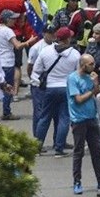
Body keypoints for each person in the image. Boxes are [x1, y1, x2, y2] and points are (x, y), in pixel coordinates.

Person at [33, 27, 81, 155]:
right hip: (66, 88)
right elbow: (78, 74)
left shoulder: (46, 51)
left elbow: (36, 70)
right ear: (68, 39)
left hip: (49, 88)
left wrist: (38, 83)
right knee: (64, 118)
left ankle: (37, 147)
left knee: (44, 117)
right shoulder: (75, 54)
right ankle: (59, 148)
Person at [68, 53, 100, 195]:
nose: (93, 66)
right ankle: (77, 181)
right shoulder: (73, 78)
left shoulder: (91, 78)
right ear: (83, 65)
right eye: (90, 64)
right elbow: (78, 99)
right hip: (79, 119)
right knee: (79, 151)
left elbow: (97, 93)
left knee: (96, 151)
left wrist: (96, 84)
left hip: (92, 117)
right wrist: (93, 90)